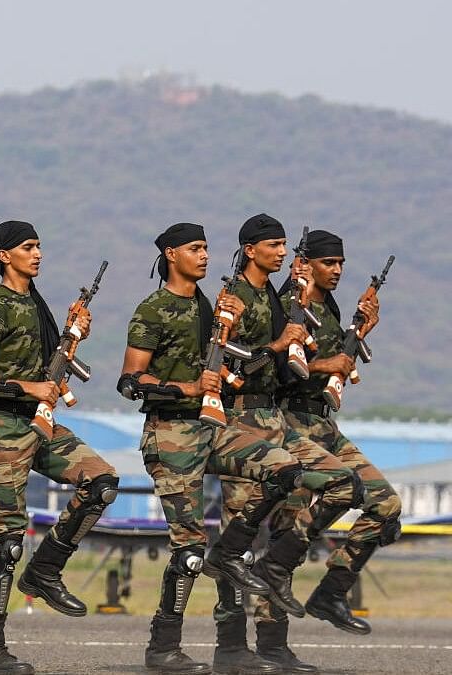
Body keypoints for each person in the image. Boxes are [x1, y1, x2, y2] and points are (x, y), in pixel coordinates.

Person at [121, 222, 317, 674]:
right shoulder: (153, 309)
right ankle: (163, 646)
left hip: (215, 428)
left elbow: (236, 362)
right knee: (188, 549)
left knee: (285, 471)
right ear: (171, 255)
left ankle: (228, 552)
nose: (205, 255)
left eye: (207, 248)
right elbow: (130, 381)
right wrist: (188, 387)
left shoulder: (212, 306)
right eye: (195, 248)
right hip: (170, 434)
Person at [0, 220, 120, 675]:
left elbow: (48, 371)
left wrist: (72, 337)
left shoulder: (35, 303)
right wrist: (26, 388)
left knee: (101, 482)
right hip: (2, 429)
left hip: (40, 428)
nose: (38, 253)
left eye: (39, 246)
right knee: (7, 538)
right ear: (4, 256)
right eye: (28, 247)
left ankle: (45, 570)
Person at [214, 215, 359, 673]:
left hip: (275, 418)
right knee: (238, 536)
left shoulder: (277, 300)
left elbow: (292, 368)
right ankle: (231, 646)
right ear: (249, 249)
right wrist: (280, 346)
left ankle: (273, 644)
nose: (281, 253)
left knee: (284, 527)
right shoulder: (235, 296)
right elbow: (223, 361)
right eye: (273, 245)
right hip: (240, 417)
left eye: (283, 245)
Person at [276, 231, 401, 638]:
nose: (337, 270)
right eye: (329, 263)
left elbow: (337, 361)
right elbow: (276, 368)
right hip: (290, 424)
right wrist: (329, 363)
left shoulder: (328, 308)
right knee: (288, 525)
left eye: (341, 264)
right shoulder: (288, 306)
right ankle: (270, 636)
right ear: (307, 264)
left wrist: (362, 332)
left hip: (325, 425)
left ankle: (331, 592)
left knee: (385, 503)